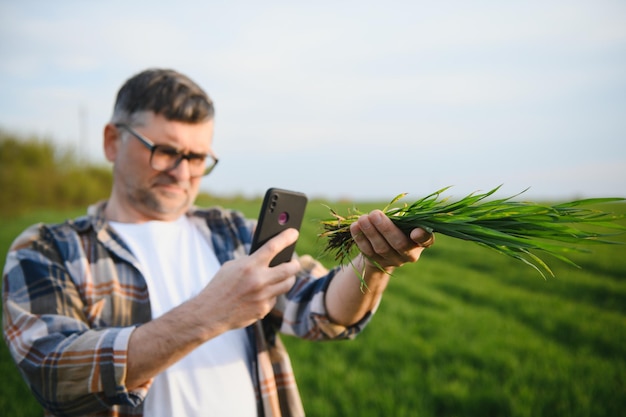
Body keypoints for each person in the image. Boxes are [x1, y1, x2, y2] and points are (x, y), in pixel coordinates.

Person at [2, 68, 435, 417]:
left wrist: (375, 263)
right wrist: (211, 312)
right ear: (112, 141)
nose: (182, 171)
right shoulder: (48, 250)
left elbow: (321, 312)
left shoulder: (233, 232)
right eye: (165, 151)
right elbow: (55, 376)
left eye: (197, 158)